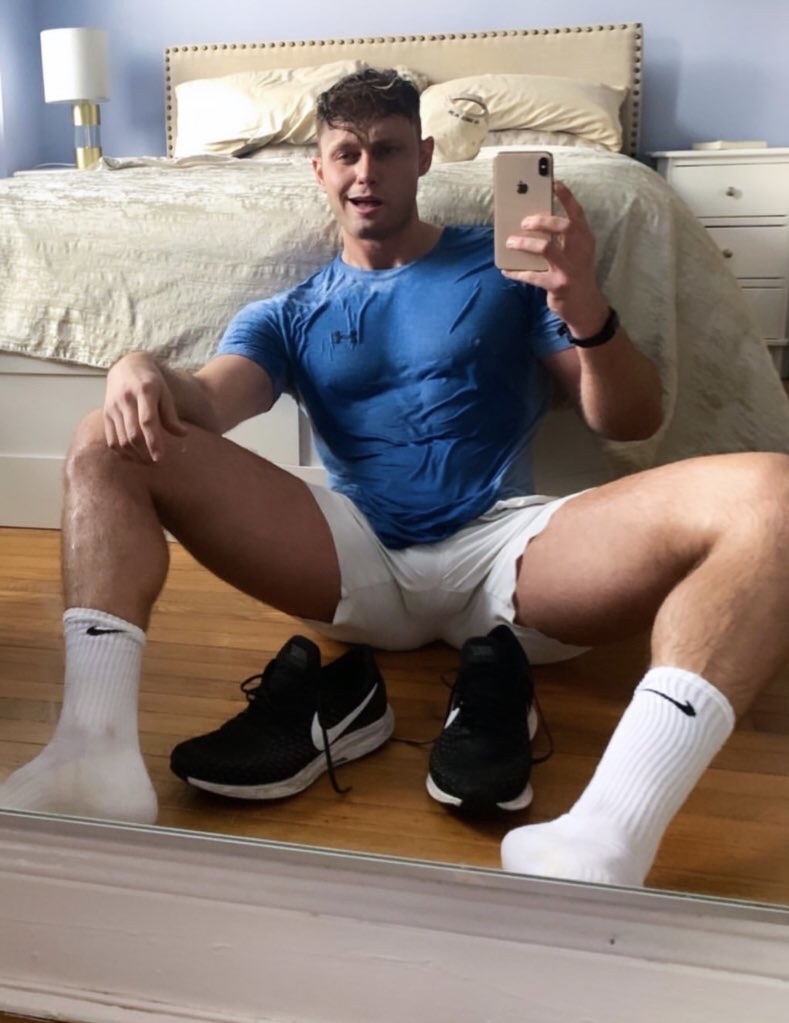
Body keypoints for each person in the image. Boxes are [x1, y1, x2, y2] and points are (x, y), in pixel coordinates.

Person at [1, 69, 787, 888]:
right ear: (318, 169)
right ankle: (91, 757)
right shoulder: (287, 311)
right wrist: (139, 366)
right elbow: (203, 403)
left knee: (773, 494)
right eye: (346, 153)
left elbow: (628, 420)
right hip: (354, 559)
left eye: (386, 150)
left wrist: (585, 304)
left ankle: (610, 831)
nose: (365, 172)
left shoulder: (510, 273)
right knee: (104, 439)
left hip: (510, 555)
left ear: (424, 157)